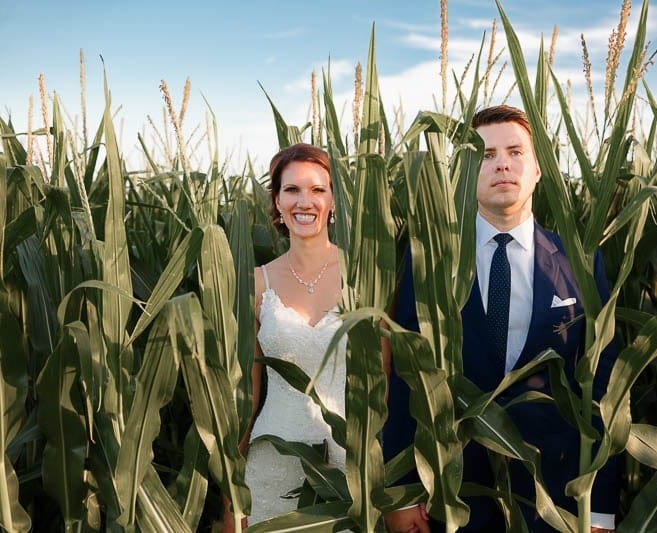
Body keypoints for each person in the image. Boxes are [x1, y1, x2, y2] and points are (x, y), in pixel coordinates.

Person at [382, 105, 620, 532]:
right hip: (455, 496)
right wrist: (401, 492)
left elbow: (603, 388)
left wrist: (599, 508)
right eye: (486, 155)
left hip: (554, 498)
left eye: (515, 151)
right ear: (466, 171)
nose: (502, 164)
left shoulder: (580, 264)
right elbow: (405, 379)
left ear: (538, 169)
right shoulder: (431, 265)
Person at [226, 143, 346, 529]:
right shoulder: (256, 283)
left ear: (332, 200)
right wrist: (233, 496)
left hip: (346, 467)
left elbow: (383, 382)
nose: (304, 201)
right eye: (291, 190)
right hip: (270, 463)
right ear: (276, 202)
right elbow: (247, 394)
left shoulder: (363, 275)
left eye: (317, 189)